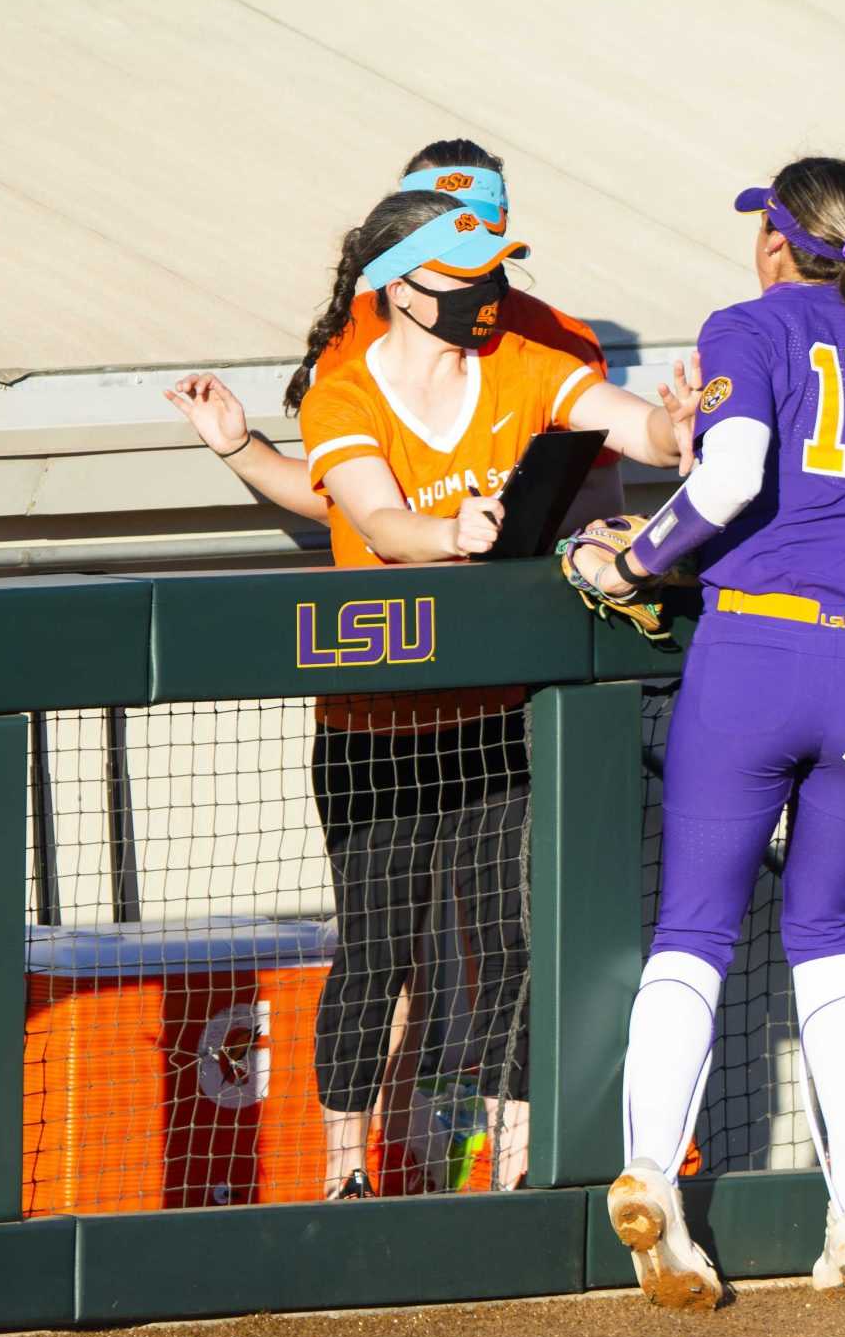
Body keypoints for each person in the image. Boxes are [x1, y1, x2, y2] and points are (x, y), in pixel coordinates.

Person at [567, 156, 845, 1309]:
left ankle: (653, 1174)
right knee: (830, 932)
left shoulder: (746, 325)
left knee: (694, 928)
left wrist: (637, 560)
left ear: (776, 241)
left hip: (755, 647)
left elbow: (736, 474)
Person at [280, 186, 699, 1200]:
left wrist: (675, 419)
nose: (489, 296)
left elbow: (629, 427)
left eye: (495, 273)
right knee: (379, 953)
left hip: (495, 720)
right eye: (465, 279)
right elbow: (379, 523)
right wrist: (452, 533)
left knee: (512, 941)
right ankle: (347, 1175)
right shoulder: (342, 394)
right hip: (374, 727)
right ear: (399, 290)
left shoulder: (520, 359)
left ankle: (513, 1167)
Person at [166, 140, 626, 531]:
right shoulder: (355, 336)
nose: (461, 248)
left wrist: (506, 535)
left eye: (473, 228)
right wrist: (242, 450)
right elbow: (345, 503)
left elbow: (601, 495)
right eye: (435, 227)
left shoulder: (556, 338)